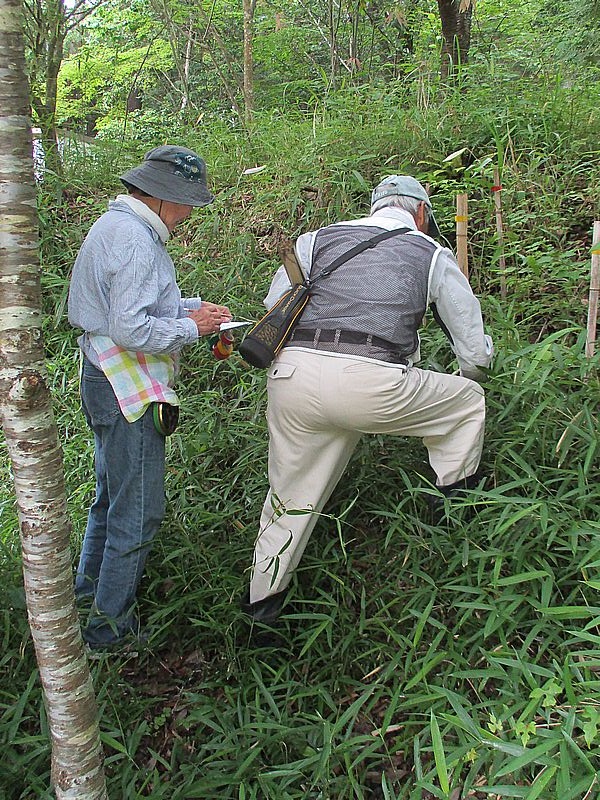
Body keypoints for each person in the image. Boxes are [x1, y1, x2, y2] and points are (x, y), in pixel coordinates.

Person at [243, 174, 493, 624]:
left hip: (292, 378)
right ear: (421, 213)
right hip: (369, 380)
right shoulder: (430, 251)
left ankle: (262, 610)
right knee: (468, 401)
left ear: (375, 206)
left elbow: (275, 304)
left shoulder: (316, 240)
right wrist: (469, 374)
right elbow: (473, 352)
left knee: (288, 498)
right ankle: (452, 514)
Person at [68, 145, 232, 650]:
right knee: (139, 511)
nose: (188, 214)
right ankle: (108, 629)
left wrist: (194, 308)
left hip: (99, 374)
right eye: (186, 203)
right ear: (162, 195)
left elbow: (133, 304)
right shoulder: (137, 241)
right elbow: (131, 328)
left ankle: (86, 598)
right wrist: (191, 327)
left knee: (111, 499)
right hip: (123, 387)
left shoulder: (116, 226)